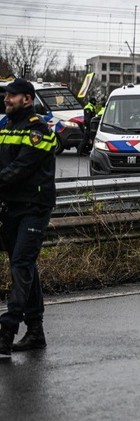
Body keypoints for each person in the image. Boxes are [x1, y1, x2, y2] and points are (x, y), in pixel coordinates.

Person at [0, 78, 58, 358]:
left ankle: (7, 329)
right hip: (12, 207)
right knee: (23, 265)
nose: (6, 100)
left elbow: (20, 169)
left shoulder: (39, 129)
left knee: (21, 264)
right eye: (6, 96)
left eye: (11, 96)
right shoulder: (5, 127)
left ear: (27, 98)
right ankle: (35, 331)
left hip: (35, 206)